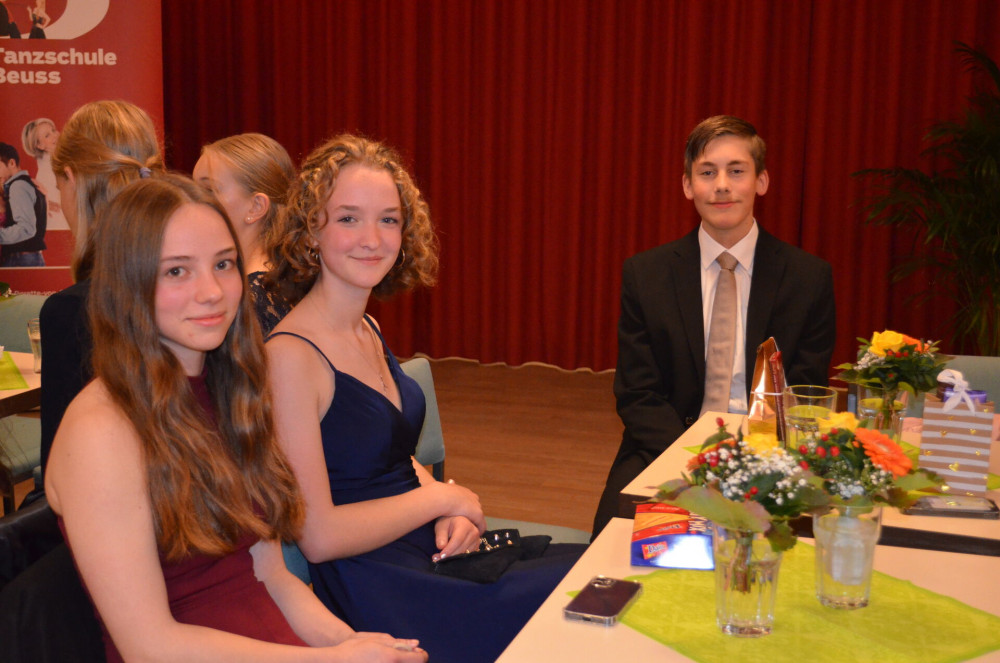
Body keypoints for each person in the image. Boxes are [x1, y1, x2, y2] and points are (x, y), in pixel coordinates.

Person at [44, 173, 427, 663]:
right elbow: (149, 646)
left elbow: (271, 576)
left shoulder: (231, 391)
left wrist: (349, 641)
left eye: (223, 264)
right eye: (177, 271)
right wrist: (332, 659)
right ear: (127, 283)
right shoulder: (101, 429)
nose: (212, 292)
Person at [265, 134, 583, 663]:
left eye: (388, 219)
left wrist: (446, 508)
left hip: (420, 546)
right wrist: (443, 501)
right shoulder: (290, 357)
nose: (372, 238)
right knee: (582, 599)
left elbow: (389, 456)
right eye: (348, 218)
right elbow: (317, 535)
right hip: (378, 584)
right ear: (310, 229)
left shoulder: (366, 326)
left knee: (598, 574)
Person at [591, 115, 836, 538]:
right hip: (667, 446)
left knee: (799, 548)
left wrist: (752, 464)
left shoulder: (808, 278)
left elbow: (803, 390)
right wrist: (695, 460)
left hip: (770, 455)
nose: (722, 185)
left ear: (761, 181)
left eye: (736, 171)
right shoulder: (647, 275)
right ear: (688, 186)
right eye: (707, 173)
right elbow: (637, 393)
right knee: (611, 546)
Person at [37, 100, 165, 483]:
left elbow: (61, 473)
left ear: (72, 179)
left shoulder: (72, 311)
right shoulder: (194, 290)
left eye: (59, 185)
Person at [193, 132, 295, 333]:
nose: (191, 200)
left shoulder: (251, 301)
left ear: (256, 207)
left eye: (209, 190)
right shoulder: (283, 281)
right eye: (193, 188)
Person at [0, 141, 46, 266]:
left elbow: (26, 228)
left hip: (20, 258)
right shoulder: (26, 184)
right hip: (28, 258)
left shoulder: (18, 186)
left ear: (12, 163)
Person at [21, 117, 68, 230]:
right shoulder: (47, 170)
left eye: (53, 130)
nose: (55, 135)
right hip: (61, 224)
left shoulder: (60, 159)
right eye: (47, 136)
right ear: (39, 145)